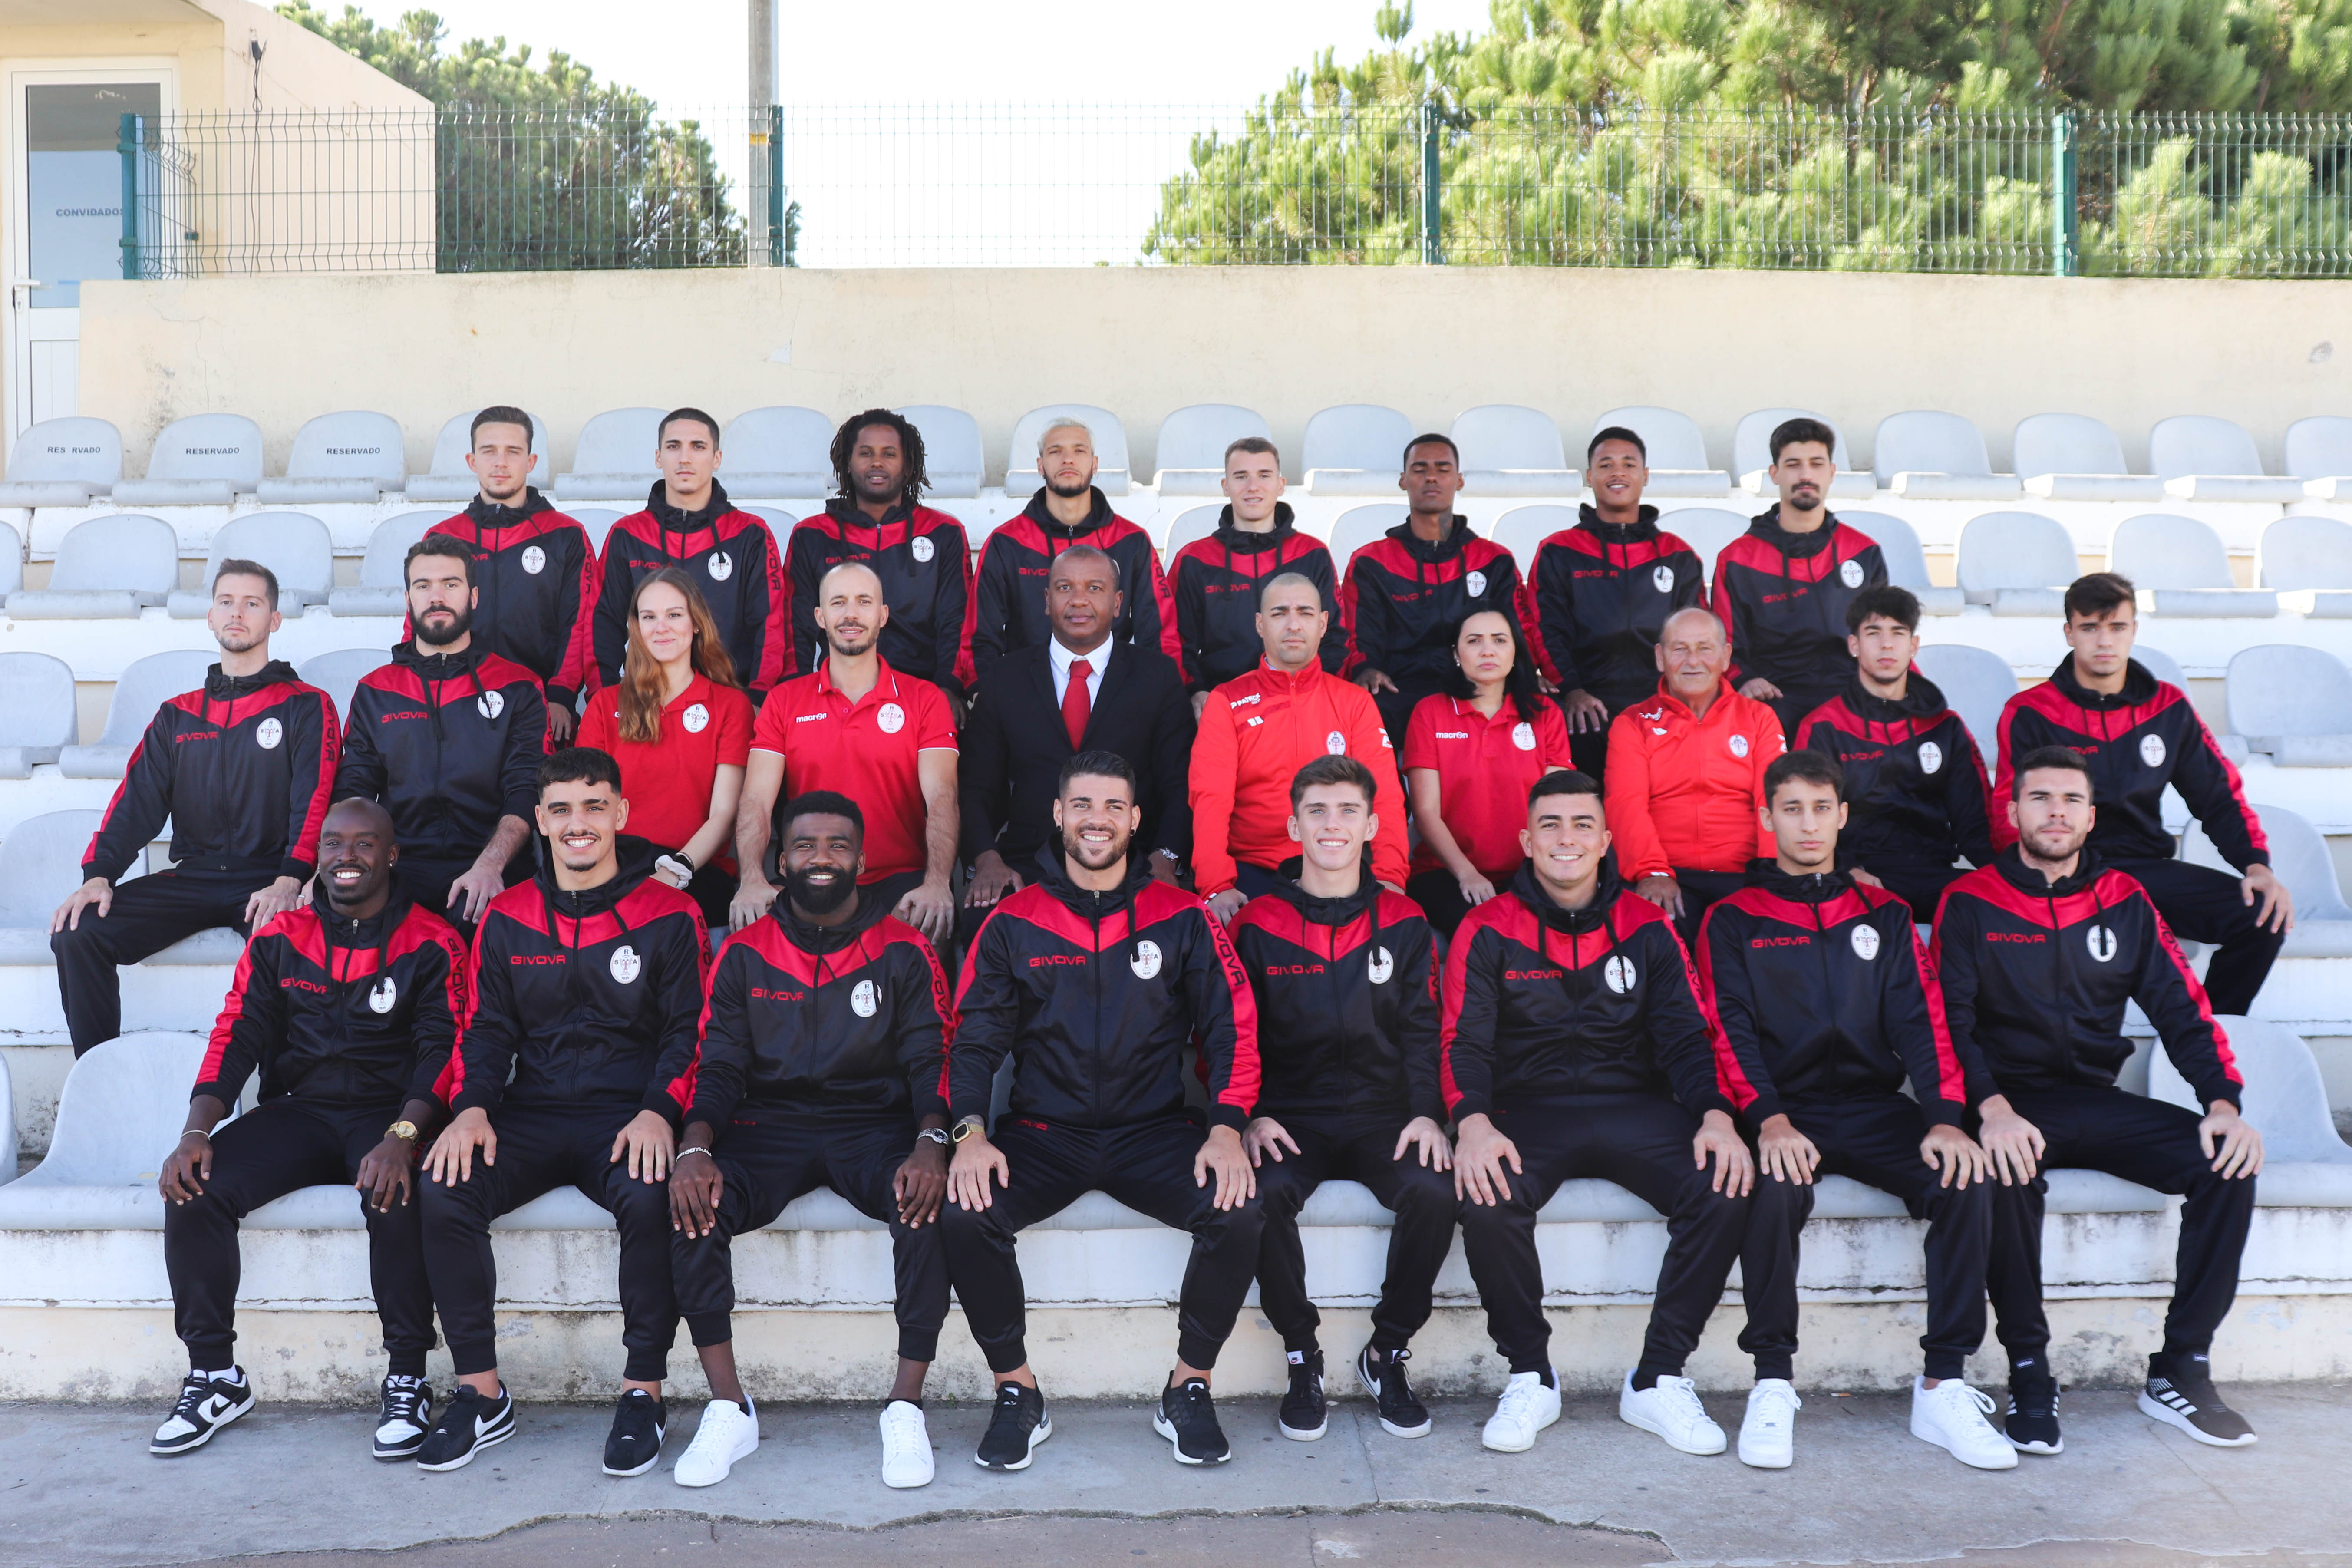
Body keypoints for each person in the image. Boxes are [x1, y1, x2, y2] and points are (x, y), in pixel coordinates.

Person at [1444, 771, 1798, 1459]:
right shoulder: (1487, 926)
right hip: (1527, 1111)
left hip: (1635, 1105)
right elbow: (1464, 1039)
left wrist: (1715, 1114)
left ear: (1606, 839)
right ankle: (1530, 1374)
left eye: (1582, 823)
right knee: (1485, 1193)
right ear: (1526, 839)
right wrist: (1474, 1121)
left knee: (1725, 1181)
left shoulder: (1645, 923)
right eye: (1550, 824)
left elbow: (1688, 1037)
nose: (1566, 837)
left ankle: (1657, 1375)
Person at [1934, 746, 2263, 1453]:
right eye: (2040, 797)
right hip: (2009, 1104)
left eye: (2071, 800)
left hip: (2093, 1098)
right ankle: (2029, 1370)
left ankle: (2181, 1368)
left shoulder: (2124, 897)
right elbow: (1949, 1022)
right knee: (2005, 1169)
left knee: (2227, 1164)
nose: (2055, 811)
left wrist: (2222, 1102)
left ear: (2090, 817)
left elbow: (2182, 1010)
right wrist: (1989, 1107)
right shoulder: (1970, 901)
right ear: (2013, 811)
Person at [941, 751, 1263, 1469]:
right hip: (1044, 1134)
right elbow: (972, 1040)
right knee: (964, 1213)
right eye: (1083, 805)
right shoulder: (1013, 920)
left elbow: (1231, 1026)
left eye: (1114, 806)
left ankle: (1189, 1385)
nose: (1098, 819)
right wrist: (969, 1132)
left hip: (1154, 1132)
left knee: (1239, 1208)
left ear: (1135, 819)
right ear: (1058, 814)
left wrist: (1225, 1126)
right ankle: (1017, 1389)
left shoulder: (1182, 916)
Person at [1697, 752, 2014, 1471]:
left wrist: (1943, 1116)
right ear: (1767, 817)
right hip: (1785, 1110)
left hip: (1874, 1108)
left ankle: (1942, 1384)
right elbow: (1727, 1027)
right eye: (1791, 809)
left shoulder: (1885, 913)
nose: (1807, 824)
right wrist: (1767, 1118)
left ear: (1842, 815)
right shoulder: (1732, 918)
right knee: (1769, 1188)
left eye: (1820, 808)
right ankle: (1772, 1382)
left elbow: (1921, 1019)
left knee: (1967, 1178)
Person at [416, 747, 709, 1476]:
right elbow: (485, 1030)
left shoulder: (671, 913)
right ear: (541, 822)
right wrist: (472, 1109)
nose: (579, 823)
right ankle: (482, 1393)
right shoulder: (509, 915)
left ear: (620, 813)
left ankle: (642, 1391)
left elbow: (690, 1033)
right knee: (444, 1186)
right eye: (561, 810)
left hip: (628, 1114)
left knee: (653, 1196)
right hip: (534, 1110)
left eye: (593, 806)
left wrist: (659, 1112)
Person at [150, 799, 467, 1461]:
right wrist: (195, 1130)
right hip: (300, 1110)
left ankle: (407, 1377)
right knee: (195, 1186)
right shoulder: (280, 935)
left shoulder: (432, 939)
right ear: (317, 854)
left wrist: (404, 1136)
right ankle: (215, 1375)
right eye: (333, 843)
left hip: (388, 1115)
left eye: (364, 842)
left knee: (398, 1191)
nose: (346, 855)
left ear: (391, 855)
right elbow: (237, 1032)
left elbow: (444, 1050)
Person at [667, 791, 955, 1490]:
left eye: (836, 844)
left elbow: (932, 1059)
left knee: (927, 1205)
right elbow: (718, 1064)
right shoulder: (744, 953)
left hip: (873, 1126)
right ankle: (730, 1406)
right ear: (780, 858)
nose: (820, 857)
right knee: (692, 1207)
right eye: (804, 844)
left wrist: (932, 1142)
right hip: (768, 1126)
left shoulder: (903, 948)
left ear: (862, 857)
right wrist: (694, 1148)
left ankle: (905, 1405)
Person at [1229, 756, 1453, 1444]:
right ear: (1293, 825)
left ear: (1373, 825)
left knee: (1435, 1190)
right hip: (1290, 1115)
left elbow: (1425, 1028)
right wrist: (1248, 1114)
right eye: (1318, 811)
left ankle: (1387, 1349)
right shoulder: (1258, 922)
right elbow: (1232, 1031)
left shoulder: (1405, 919)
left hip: (1386, 1114)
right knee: (1257, 1194)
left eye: (1348, 810)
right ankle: (1302, 1353)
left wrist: (1429, 1113)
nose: (1333, 824)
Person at [51, 561, 340, 1054]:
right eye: (226, 602)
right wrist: (99, 874)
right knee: (79, 931)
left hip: (268, 876)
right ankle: (97, 1075)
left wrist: (291, 878)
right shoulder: (178, 714)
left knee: (287, 942)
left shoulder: (306, 705)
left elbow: (315, 800)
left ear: (274, 620)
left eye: (252, 603)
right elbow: (135, 803)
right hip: (195, 876)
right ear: (210, 616)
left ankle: (280, 1091)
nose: (237, 613)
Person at [1990, 572, 2289, 1017]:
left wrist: (2255, 864)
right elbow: (2008, 811)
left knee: (2261, 915)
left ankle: (2210, 1033)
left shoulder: (2167, 707)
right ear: (2068, 632)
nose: (2103, 641)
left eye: (2116, 627)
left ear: (2133, 629)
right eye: (2089, 627)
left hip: (2144, 870)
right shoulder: (2032, 711)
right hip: (2065, 872)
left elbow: (2218, 797)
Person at [960, 544, 1194, 944]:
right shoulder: (1004, 677)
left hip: (1130, 863)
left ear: (1118, 603)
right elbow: (975, 785)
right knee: (980, 924)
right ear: (1047, 600)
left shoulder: (1157, 676)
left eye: (1094, 588)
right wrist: (986, 858)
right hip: (1030, 863)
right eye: (1065, 587)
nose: (1079, 600)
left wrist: (1166, 857)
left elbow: (1181, 783)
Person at [732, 562, 958, 946]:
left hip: (899, 879)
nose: (850, 614)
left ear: (882, 615)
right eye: (838, 602)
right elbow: (755, 799)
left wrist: (937, 882)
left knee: (928, 933)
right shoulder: (783, 701)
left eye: (863, 602)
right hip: (812, 874)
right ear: (820, 617)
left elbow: (942, 797)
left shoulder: (925, 699)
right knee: (756, 934)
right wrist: (751, 879)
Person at [336, 539, 549, 933]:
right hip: (399, 864)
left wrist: (490, 865)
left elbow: (526, 789)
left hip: (489, 862)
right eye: (423, 586)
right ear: (408, 599)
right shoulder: (376, 690)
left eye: (450, 584)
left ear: (474, 596)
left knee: (479, 921)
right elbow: (355, 791)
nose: (437, 597)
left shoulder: (518, 686)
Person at [1189, 573, 1409, 922]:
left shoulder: (1354, 701)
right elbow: (1210, 799)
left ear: (1322, 624)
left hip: (1341, 867)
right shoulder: (1226, 700)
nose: (1293, 624)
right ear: (1260, 624)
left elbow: (1384, 797)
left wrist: (1390, 876)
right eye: (1279, 613)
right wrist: (1216, 885)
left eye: (1305, 613)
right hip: (1254, 871)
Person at [1794, 585, 1996, 922]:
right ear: (1854, 645)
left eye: (1897, 633)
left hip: (1932, 872)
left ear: (1912, 646)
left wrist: (2008, 878)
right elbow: (1807, 819)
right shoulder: (1822, 727)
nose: (1886, 644)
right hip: (1854, 876)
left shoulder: (1945, 726)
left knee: (2000, 911)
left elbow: (1975, 823)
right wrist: (1846, 869)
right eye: (1874, 633)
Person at [1523, 427, 1706, 778]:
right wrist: (1572, 690)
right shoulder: (1559, 550)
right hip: (1586, 697)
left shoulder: (1677, 553)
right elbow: (1546, 629)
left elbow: (1696, 633)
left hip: (1660, 697)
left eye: (1628, 464)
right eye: (1606, 465)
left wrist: (1679, 696)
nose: (1617, 472)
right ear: (1589, 477)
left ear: (1645, 476)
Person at [578, 568, 754, 931]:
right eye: (649, 617)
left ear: (696, 623)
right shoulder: (605, 704)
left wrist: (676, 871)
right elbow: (587, 806)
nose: (661, 628)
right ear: (636, 628)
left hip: (695, 870)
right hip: (615, 867)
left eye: (674, 615)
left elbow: (723, 814)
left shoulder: (730, 705)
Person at [1603, 607, 1783, 940]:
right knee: (1655, 938)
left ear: (1725, 656)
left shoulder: (1759, 718)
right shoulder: (1632, 722)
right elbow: (1625, 804)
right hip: (1668, 875)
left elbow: (1773, 799)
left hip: (1744, 874)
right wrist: (1652, 871)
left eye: (1704, 648)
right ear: (1660, 657)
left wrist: (1772, 871)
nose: (1692, 661)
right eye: (1679, 649)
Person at [958, 420, 1177, 690]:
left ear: (1095, 464)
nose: (1068, 459)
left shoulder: (1132, 540)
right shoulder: (1007, 542)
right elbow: (979, 634)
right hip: (1028, 691)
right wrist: (981, 692)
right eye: (1056, 451)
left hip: (1115, 691)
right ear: (1041, 465)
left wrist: (1167, 693)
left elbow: (1160, 631)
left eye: (1079, 451)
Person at [422, 405, 598, 741]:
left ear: (530, 462)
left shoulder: (566, 535)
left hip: (541, 707)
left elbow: (580, 624)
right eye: (489, 451)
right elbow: (421, 622)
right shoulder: (443, 537)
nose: (500, 463)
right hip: (456, 704)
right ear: (472, 461)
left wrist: (561, 695)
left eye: (513, 451)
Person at [1341, 433, 1524, 751]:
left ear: (1459, 480)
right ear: (1403, 480)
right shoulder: (1371, 561)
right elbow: (1358, 633)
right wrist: (1366, 669)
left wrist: (1526, 674)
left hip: (1477, 684)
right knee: (1364, 707)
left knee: (1537, 704)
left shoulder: (1494, 559)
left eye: (1442, 469)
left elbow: (1519, 629)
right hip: (1400, 689)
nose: (1431, 477)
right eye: (1420, 469)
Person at [594, 407, 791, 701]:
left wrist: (759, 698)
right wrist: (604, 698)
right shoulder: (628, 534)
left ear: (717, 458)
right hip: (648, 701)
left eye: (698, 447)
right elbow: (602, 623)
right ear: (658, 457)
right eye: (673, 447)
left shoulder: (750, 534)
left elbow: (770, 624)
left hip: (730, 701)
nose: (684, 458)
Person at [1402, 609, 1574, 936]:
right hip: (1446, 873)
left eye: (1499, 640)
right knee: (1485, 933)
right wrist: (1467, 874)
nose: (1487, 651)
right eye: (1474, 641)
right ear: (1456, 653)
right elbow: (1425, 812)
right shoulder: (1430, 712)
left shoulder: (1546, 714)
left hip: (1529, 869)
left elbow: (1554, 809)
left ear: (1515, 651)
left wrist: (1537, 877)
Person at [1710, 417, 1888, 735]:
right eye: (1793, 465)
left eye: (1816, 464)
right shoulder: (1737, 560)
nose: (1806, 475)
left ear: (1831, 473)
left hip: (1850, 694)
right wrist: (1745, 680)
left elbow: (1882, 638)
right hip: (1775, 697)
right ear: (1775, 474)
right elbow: (1726, 645)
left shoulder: (1863, 552)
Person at [787, 409, 971, 706]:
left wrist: (949, 687)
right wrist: (795, 693)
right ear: (847, 463)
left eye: (889, 453)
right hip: (838, 694)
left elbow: (956, 620)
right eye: (865, 453)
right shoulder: (812, 535)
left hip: (923, 693)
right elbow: (796, 625)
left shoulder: (943, 533)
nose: (877, 462)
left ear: (908, 466)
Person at [1168, 437, 1345, 707]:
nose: (1253, 486)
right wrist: (1195, 690)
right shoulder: (1194, 559)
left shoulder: (1312, 554)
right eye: (1241, 476)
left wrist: (1320, 691)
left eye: (1264, 475)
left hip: (1301, 700)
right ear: (1226, 486)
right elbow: (1176, 640)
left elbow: (1336, 634)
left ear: (1281, 485)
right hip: (1220, 702)